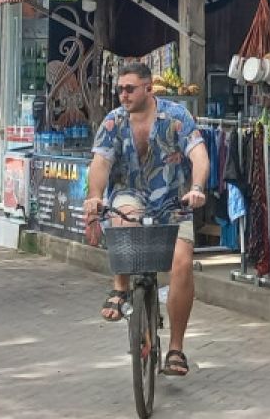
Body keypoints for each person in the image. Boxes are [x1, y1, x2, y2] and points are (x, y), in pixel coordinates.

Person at [83, 63, 209, 378]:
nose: (123, 94)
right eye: (120, 89)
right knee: (124, 217)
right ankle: (121, 287)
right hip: (131, 195)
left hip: (172, 200)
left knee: (181, 264)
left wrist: (196, 188)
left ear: (149, 88)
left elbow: (199, 155)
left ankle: (176, 349)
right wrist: (94, 197)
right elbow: (100, 163)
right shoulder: (113, 122)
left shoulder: (176, 117)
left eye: (130, 88)